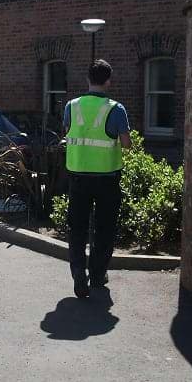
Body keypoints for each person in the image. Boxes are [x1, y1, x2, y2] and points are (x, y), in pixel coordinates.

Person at [64, 59, 131, 299]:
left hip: (78, 175)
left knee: (77, 228)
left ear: (88, 80)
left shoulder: (72, 106)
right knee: (104, 228)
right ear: (109, 80)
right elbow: (126, 143)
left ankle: (78, 273)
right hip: (107, 177)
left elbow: (68, 133)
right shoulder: (116, 109)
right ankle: (97, 274)